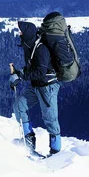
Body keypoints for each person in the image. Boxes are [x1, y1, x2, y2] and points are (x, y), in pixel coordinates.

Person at [10, 21, 62, 155]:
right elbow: (31, 68)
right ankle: (28, 142)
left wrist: (21, 75)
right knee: (19, 105)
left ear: (27, 33)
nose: (19, 33)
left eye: (21, 31)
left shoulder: (41, 49)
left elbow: (40, 72)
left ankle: (55, 153)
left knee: (50, 119)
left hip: (48, 87)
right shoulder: (29, 46)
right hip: (37, 86)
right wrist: (18, 74)